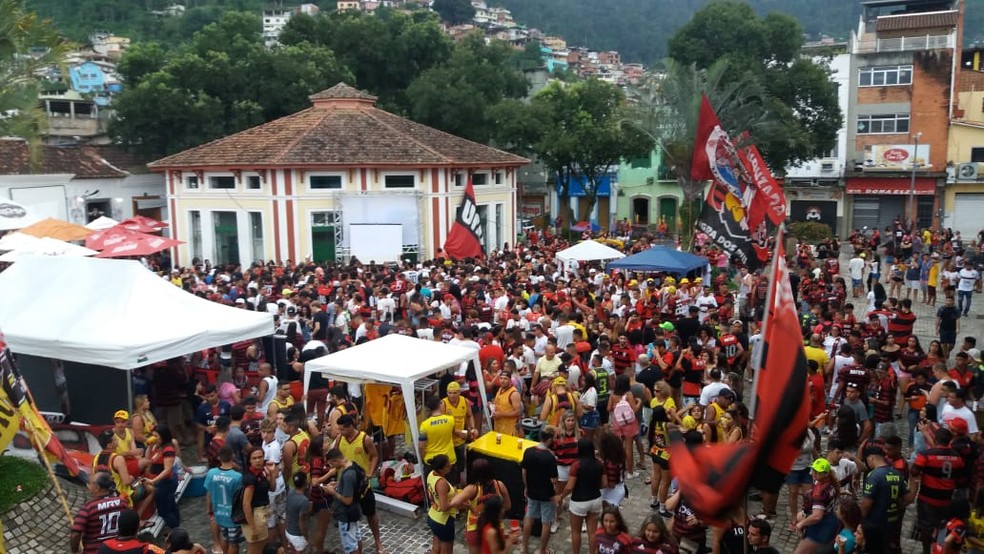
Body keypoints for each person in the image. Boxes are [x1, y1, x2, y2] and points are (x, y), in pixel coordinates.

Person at [333, 414, 385, 554]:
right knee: (350, 518)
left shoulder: (364, 439)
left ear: (351, 427)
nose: (339, 432)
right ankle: (356, 545)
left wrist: (369, 473)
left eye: (342, 429)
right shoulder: (339, 439)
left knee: (371, 514)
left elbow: (374, 455)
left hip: (362, 486)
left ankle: (378, 541)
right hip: (346, 487)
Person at [451, 458, 510, 554]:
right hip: (495, 526)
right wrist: (497, 514)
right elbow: (507, 505)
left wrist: (469, 507)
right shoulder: (499, 485)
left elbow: (454, 503)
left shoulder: (472, 489)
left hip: (475, 527)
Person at [860, 443, 908, 554]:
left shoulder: (874, 475)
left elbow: (866, 504)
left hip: (874, 523)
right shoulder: (896, 473)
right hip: (890, 522)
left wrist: (860, 519)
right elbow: (906, 498)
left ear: (871, 458)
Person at [559, 438, 605, 554]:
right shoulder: (599, 464)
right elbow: (605, 483)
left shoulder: (576, 465)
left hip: (579, 501)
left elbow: (570, 486)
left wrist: (561, 496)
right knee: (592, 532)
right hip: (595, 499)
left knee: (576, 532)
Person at [520, 426, 559, 554]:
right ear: (549, 440)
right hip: (547, 494)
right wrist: (557, 494)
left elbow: (524, 472)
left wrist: (526, 487)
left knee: (529, 517)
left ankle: (524, 547)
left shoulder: (528, 451)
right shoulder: (549, 457)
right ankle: (542, 550)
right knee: (546, 522)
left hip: (532, 491)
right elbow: (554, 480)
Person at [71, 472, 128, 554]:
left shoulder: (88, 508)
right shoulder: (123, 503)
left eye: (89, 483)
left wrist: (75, 551)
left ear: (97, 487)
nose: (87, 485)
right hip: (118, 550)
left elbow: (75, 535)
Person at [794, 458, 841, 553]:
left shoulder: (819, 492)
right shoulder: (831, 482)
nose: (814, 474)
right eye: (814, 470)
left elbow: (817, 516)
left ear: (826, 474)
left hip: (821, 526)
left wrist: (801, 524)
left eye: (818, 472)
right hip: (830, 520)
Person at [323, 447, 365, 554]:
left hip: (346, 515)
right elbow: (351, 486)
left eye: (331, 464)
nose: (332, 467)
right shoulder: (353, 465)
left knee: (351, 546)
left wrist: (332, 492)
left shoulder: (347, 475)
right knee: (357, 538)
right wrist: (338, 484)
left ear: (335, 460)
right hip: (355, 510)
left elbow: (347, 500)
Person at [204, 446, 244, 554]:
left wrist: (209, 509)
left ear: (219, 458)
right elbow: (240, 497)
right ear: (233, 456)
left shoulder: (211, 473)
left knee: (225, 538)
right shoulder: (237, 477)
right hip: (232, 515)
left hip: (219, 513)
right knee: (233, 543)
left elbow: (208, 493)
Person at [145, 424, 180, 530]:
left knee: (164, 510)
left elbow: (167, 469)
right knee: (170, 505)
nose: (154, 438)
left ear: (163, 436)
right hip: (160, 482)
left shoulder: (168, 449)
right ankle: (177, 527)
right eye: (153, 435)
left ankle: (175, 530)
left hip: (165, 483)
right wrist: (149, 446)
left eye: (156, 436)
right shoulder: (157, 446)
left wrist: (153, 481)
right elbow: (148, 459)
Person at [241, 448, 275, 554]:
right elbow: (246, 504)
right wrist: (253, 528)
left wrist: (271, 474)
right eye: (254, 458)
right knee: (255, 549)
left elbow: (272, 488)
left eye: (260, 457)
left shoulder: (261, 472)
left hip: (262, 514)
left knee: (261, 546)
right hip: (255, 516)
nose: (257, 460)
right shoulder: (250, 478)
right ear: (250, 460)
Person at [425, 454, 461, 554]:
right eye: (448, 466)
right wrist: (457, 500)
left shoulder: (431, 474)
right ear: (441, 468)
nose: (451, 466)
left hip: (433, 516)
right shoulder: (441, 483)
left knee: (435, 549)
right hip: (443, 520)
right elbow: (444, 507)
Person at [419, 396, 460, 469]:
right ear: (439, 404)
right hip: (449, 459)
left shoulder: (424, 425)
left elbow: (421, 446)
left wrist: (423, 458)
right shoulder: (450, 419)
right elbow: (457, 432)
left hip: (431, 460)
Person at [284, 473, 311, 554]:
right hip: (297, 535)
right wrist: (307, 538)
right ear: (306, 482)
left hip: (288, 531)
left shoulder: (290, 492)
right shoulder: (304, 501)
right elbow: (302, 523)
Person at [491, 370, 522, 437]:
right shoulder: (500, 389)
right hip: (499, 426)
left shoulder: (514, 394)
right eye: (501, 378)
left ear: (510, 380)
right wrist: (491, 404)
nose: (502, 380)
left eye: (505, 379)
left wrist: (501, 414)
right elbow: (499, 402)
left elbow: (517, 412)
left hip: (509, 429)